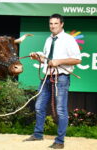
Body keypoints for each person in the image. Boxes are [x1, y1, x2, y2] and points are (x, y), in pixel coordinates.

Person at [24, 14, 82, 149]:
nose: (53, 26)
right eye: (51, 23)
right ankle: (38, 134)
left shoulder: (69, 40)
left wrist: (59, 61)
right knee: (38, 106)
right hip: (47, 77)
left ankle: (60, 141)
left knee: (61, 110)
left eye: (56, 23)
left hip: (61, 77)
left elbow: (77, 59)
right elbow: (47, 60)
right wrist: (37, 57)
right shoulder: (49, 39)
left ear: (61, 24)